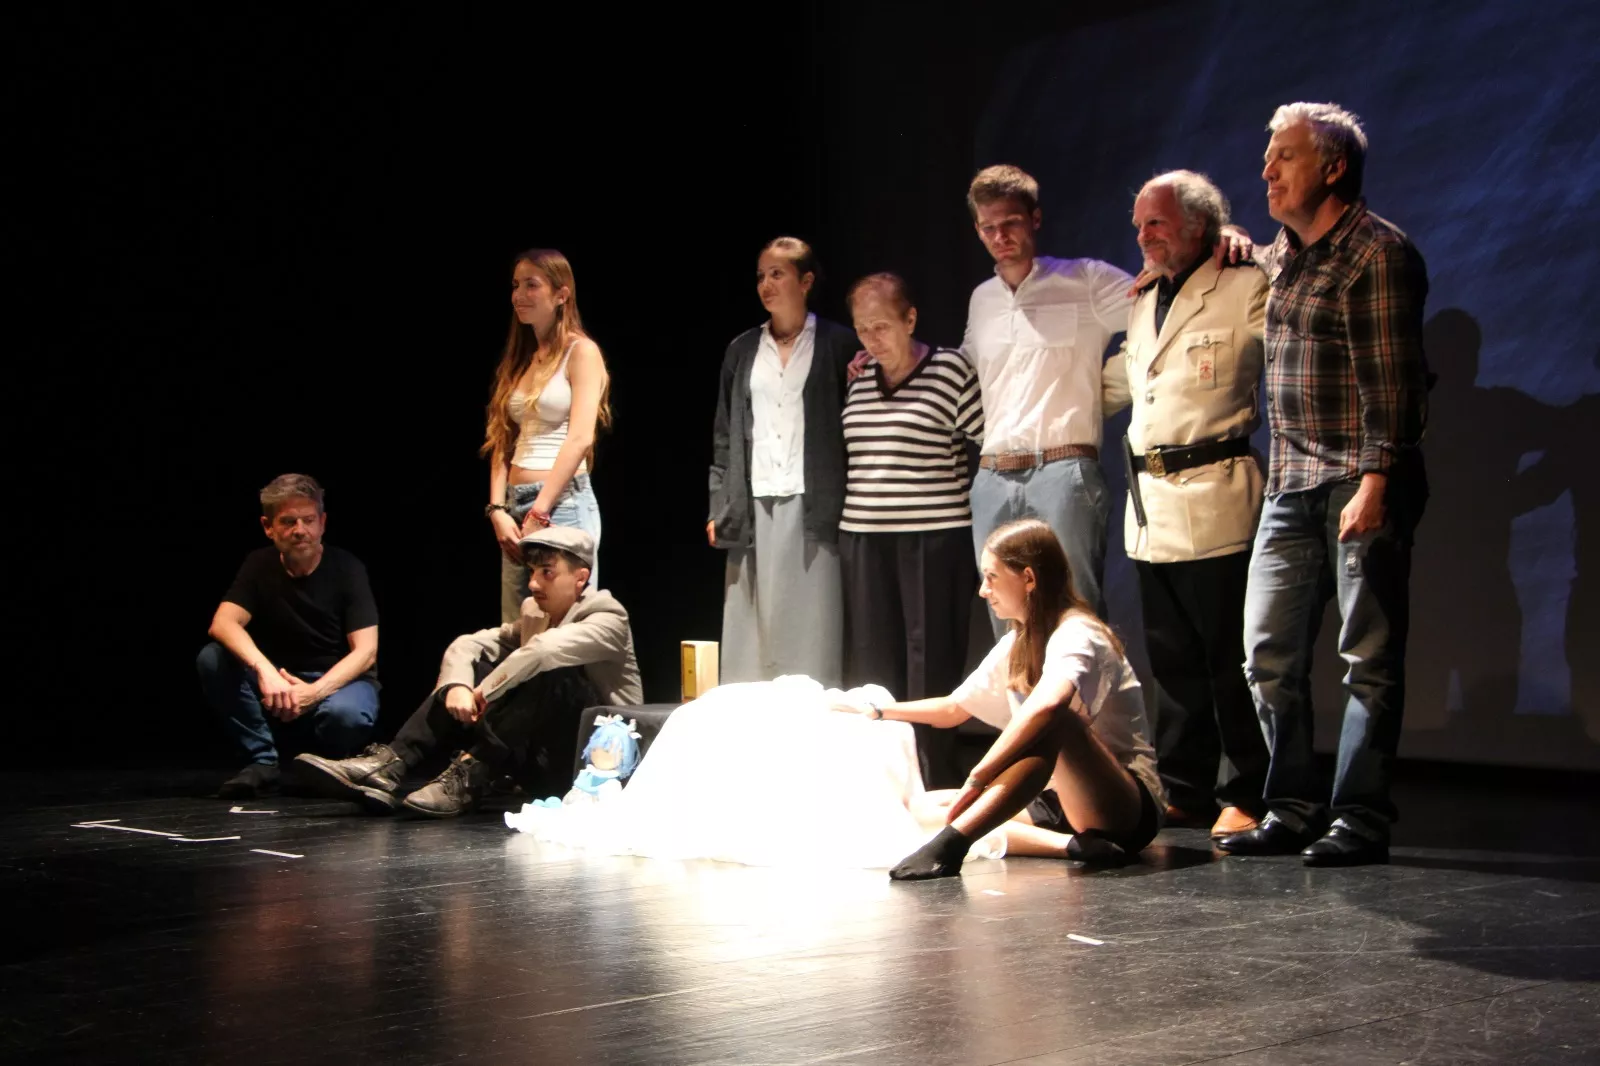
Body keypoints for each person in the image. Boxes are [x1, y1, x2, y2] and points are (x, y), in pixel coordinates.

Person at [1217, 103, 1430, 867]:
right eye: (1267, 158)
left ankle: (1361, 818)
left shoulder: (1376, 253)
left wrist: (1377, 479)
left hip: (1357, 479)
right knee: (1267, 653)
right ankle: (1293, 806)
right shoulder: (1283, 257)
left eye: (1284, 158)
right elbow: (1247, 252)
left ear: (1333, 168)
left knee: (1365, 657)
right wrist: (1231, 242)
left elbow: (1395, 385)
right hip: (1292, 482)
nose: (1267, 172)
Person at [839, 518, 1166, 880]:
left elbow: (1050, 705)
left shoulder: (1079, 632)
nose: (983, 590)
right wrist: (878, 711)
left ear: (1028, 578)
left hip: (1126, 806)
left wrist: (979, 777)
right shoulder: (1017, 642)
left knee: (1055, 722)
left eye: (991, 577)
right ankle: (1070, 847)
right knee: (922, 809)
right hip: (1059, 799)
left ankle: (955, 842)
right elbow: (953, 708)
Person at [1101, 171, 1271, 841]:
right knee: (1172, 662)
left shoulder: (1244, 283)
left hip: (1216, 492)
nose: (1141, 237)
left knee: (1229, 658)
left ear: (1200, 226)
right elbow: (1127, 381)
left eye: (1156, 224)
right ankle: (1186, 786)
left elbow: (1291, 320)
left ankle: (1250, 787)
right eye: (1139, 224)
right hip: (1152, 506)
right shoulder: (1144, 299)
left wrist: (1247, 245)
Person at [296, 527, 642, 818]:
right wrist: (459, 686)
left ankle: (470, 775)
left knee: (551, 671)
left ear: (581, 578)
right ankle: (390, 764)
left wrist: (484, 692)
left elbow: (543, 651)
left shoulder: (607, 615)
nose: (534, 584)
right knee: (478, 664)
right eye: (532, 573)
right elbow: (468, 644)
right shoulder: (535, 612)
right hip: (535, 756)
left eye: (547, 573)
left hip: (594, 765)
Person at [838, 273, 983, 788]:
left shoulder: (949, 369)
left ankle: (934, 778)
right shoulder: (859, 377)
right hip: (864, 536)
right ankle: (882, 778)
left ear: (910, 319)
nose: (872, 340)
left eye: (881, 326)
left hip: (934, 536)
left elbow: (988, 440)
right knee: (873, 665)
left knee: (931, 663)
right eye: (862, 330)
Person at [708, 237, 857, 686]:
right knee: (753, 622)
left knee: (813, 619)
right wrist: (720, 504)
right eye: (761, 275)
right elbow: (724, 434)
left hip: (813, 502)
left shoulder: (838, 344)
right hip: (752, 500)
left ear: (806, 281)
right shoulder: (743, 350)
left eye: (778, 274)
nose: (766, 284)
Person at [197, 474, 379, 799]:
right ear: (268, 527)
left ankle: (333, 765)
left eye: (309, 520)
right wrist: (267, 673)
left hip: (337, 682)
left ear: (322, 522)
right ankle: (262, 762)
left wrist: (312, 692)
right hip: (279, 681)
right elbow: (223, 623)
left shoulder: (347, 568)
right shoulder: (258, 564)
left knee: (346, 716)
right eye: (288, 521)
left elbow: (365, 652)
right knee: (213, 658)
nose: (300, 530)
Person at [484, 248, 612, 623]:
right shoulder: (522, 359)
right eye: (515, 285)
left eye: (531, 285)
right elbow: (501, 440)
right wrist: (497, 510)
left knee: (565, 632)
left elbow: (580, 438)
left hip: (561, 507)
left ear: (561, 294)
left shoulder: (582, 352)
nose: (519, 295)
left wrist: (540, 509)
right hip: (515, 509)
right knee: (516, 630)